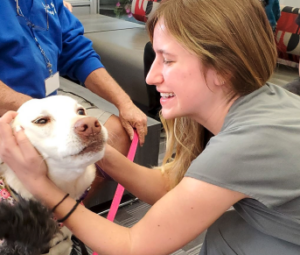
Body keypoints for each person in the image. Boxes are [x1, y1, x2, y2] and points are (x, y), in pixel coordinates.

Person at [1, 0, 300, 254]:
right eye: (153, 56)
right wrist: (89, 144)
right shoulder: (264, 102)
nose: (151, 77)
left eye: (167, 60)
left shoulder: (244, 145)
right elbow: (171, 188)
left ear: (224, 69)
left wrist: (39, 185)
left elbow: (134, 246)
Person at [0, 0, 147, 157]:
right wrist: (39, 114)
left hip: (49, 102)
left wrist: (124, 103)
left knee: (118, 136)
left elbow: (77, 53)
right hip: (11, 113)